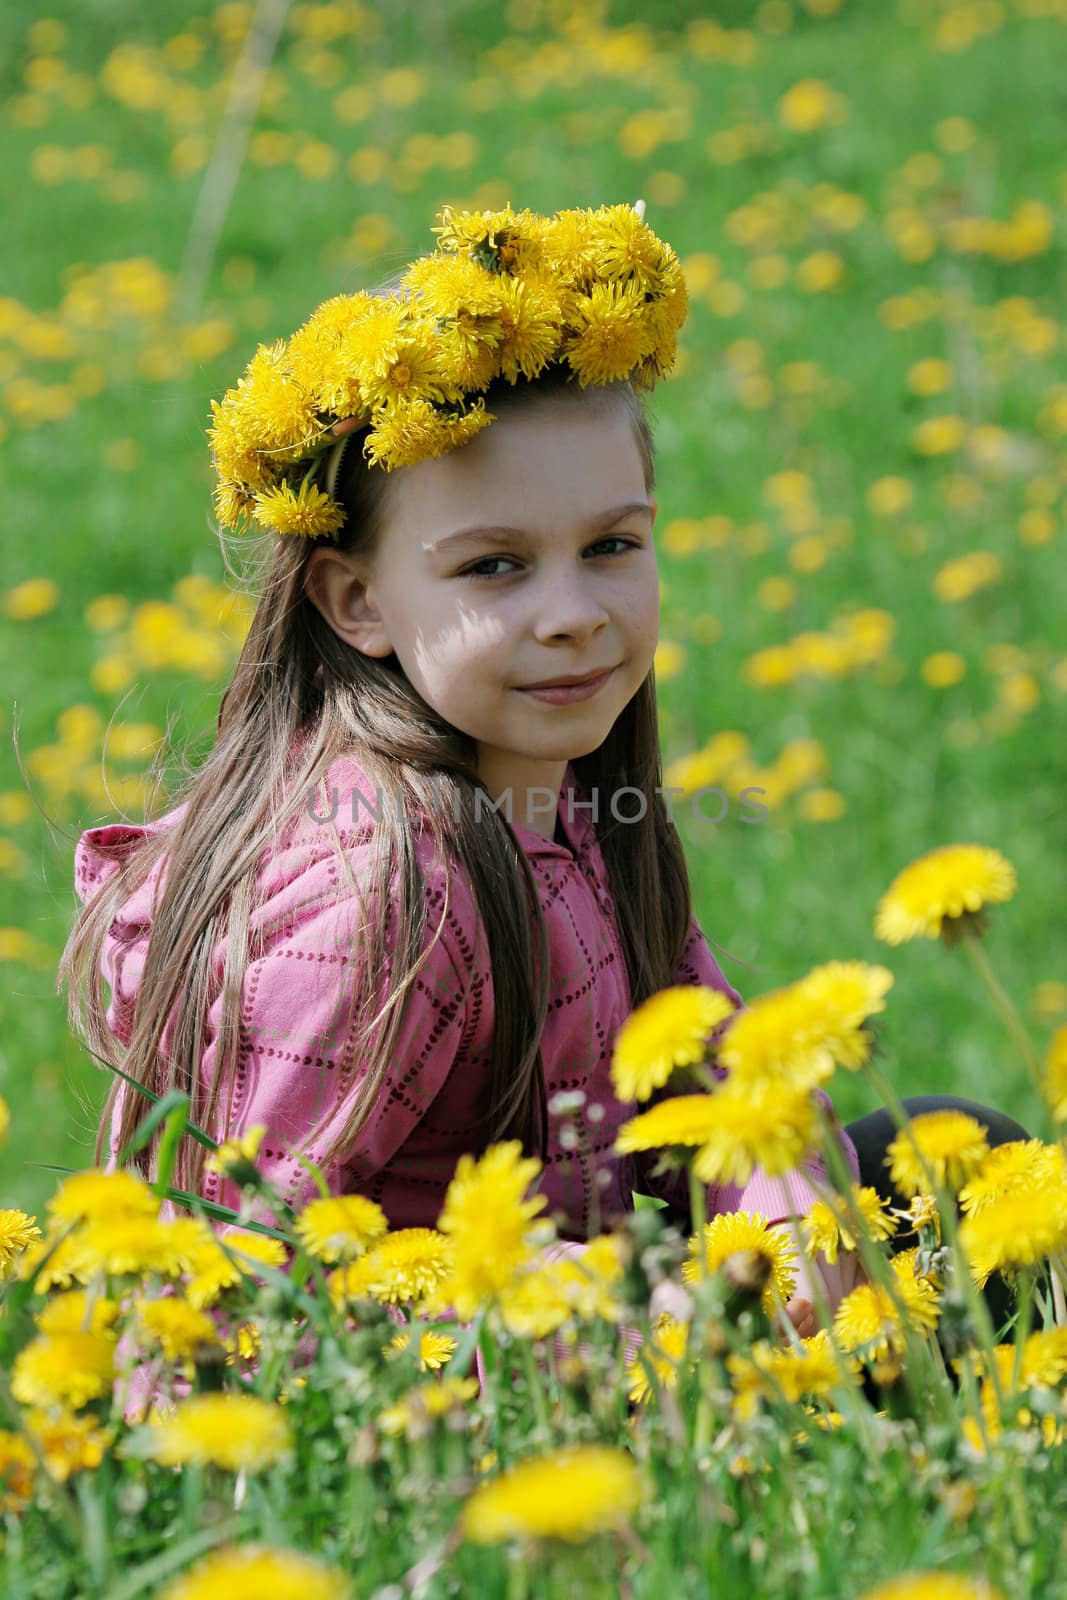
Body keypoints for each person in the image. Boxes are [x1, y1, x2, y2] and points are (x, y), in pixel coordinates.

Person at [57, 203, 1028, 1399]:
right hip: (436, 1416)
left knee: (963, 1160)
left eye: (611, 546)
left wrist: (780, 1184)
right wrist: (560, 1307)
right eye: (494, 566)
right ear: (355, 601)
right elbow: (223, 1288)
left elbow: (713, 1057)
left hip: (617, 1309)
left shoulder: (565, 805)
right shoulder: (371, 903)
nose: (571, 611)